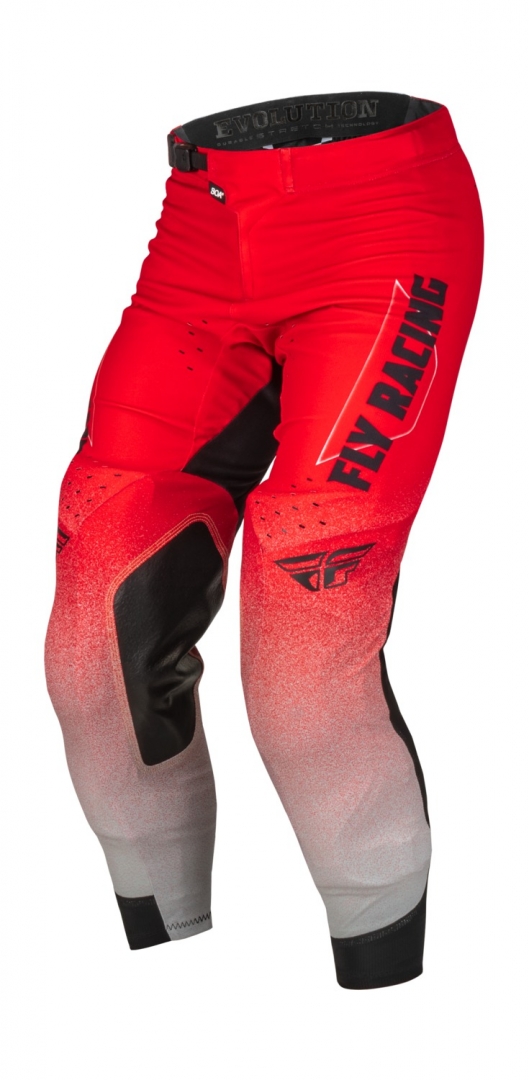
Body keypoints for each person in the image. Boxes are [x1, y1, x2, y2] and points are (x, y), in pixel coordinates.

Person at [44, 91, 484, 989]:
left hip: (382, 224)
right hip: (201, 236)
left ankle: (387, 1000)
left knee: (302, 665)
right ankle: (160, 980)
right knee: (93, 651)